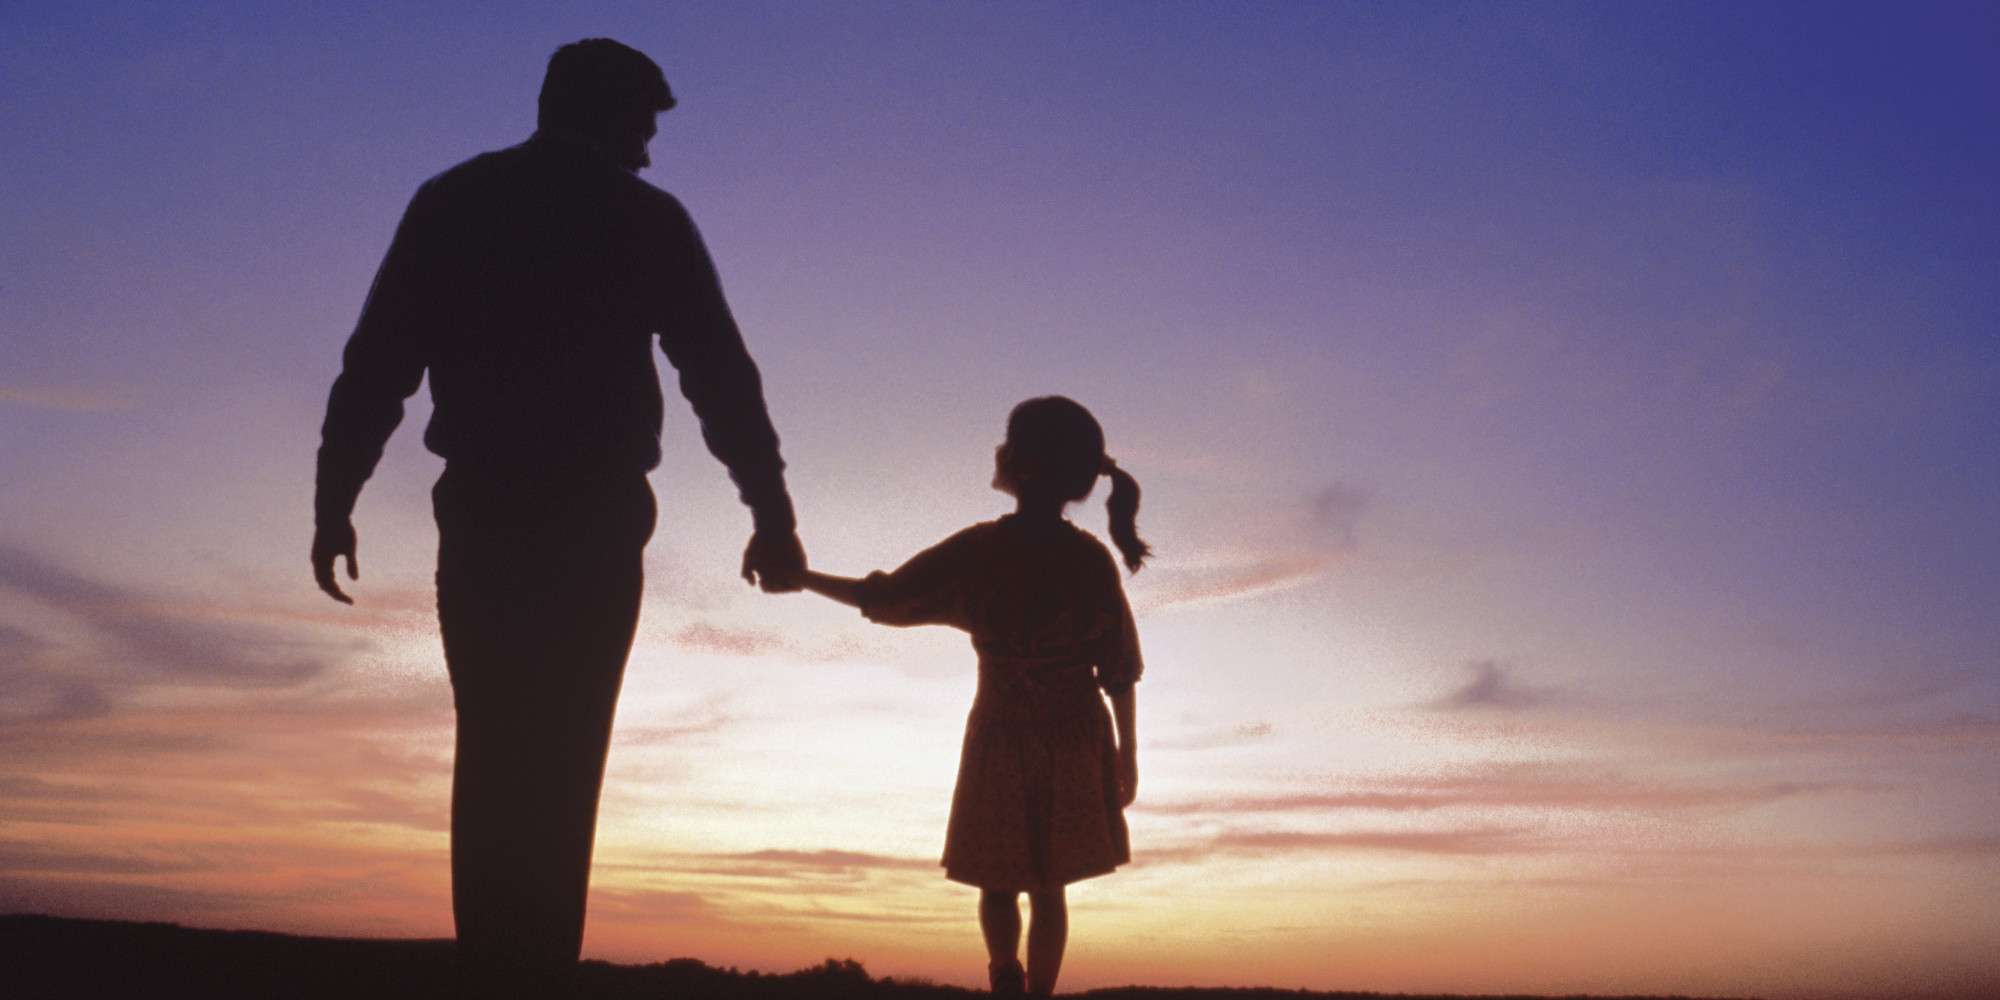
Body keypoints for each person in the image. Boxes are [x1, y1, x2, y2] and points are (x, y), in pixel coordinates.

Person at [308, 38, 804, 998]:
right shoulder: (645, 216)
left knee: (494, 749)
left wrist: (335, 499)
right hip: (589, 525)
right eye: (646, 125)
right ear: (610, 113)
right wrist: (771, 512)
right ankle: (531, 973)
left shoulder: (452, 200)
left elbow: (376, 366)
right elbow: (720, 378)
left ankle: (497, 971)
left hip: (489, 520)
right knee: (567, 754)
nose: (652, 149)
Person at [797, 396, 1146, 996]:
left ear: (1026, 465)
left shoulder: (981, 549)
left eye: (1008, 443)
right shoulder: (1089, 560)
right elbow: (1118, 668)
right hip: (1071, 734)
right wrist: (1128, 753)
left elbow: (884, 598)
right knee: (1049, 886)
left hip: (1001, 732)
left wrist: (802, 578)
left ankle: (1003, 969)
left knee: (997, 877)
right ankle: (1032, 991)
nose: (999, 452)